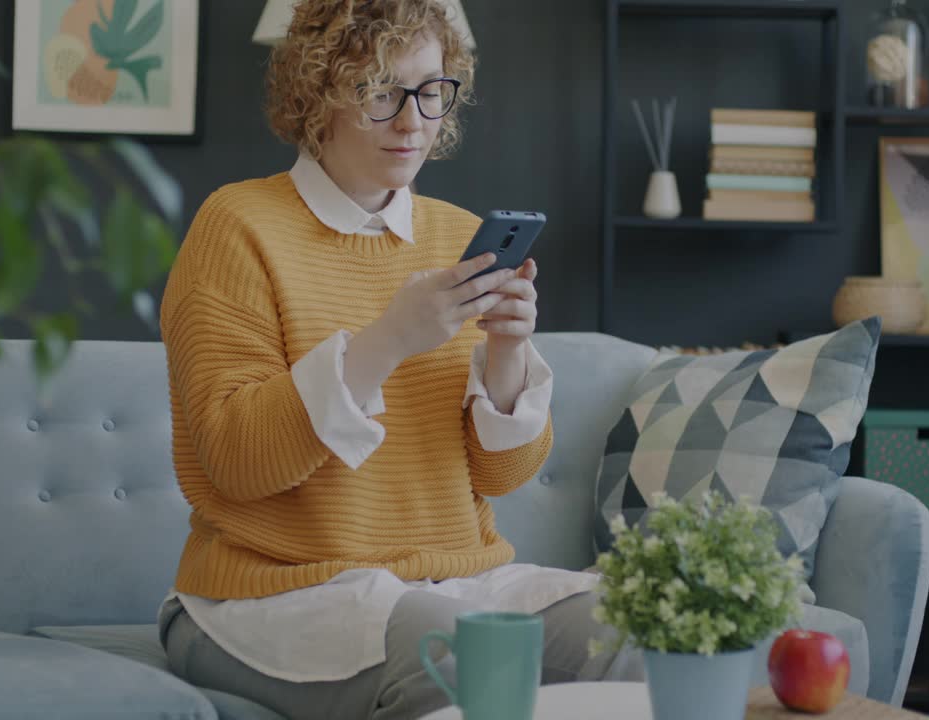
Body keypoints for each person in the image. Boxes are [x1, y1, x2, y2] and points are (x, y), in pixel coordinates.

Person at [154, 1, 643, 718]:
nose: (413, 120)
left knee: (629, 629)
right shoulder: (238, 227)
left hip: (448, 584)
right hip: (268, 595)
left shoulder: (454, 236)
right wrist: (386, 341)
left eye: (430, 90)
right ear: (317, 95)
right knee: (453, 651)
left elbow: (500, 476)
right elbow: (235, 459)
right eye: (379, 91)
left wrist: (508, 352)